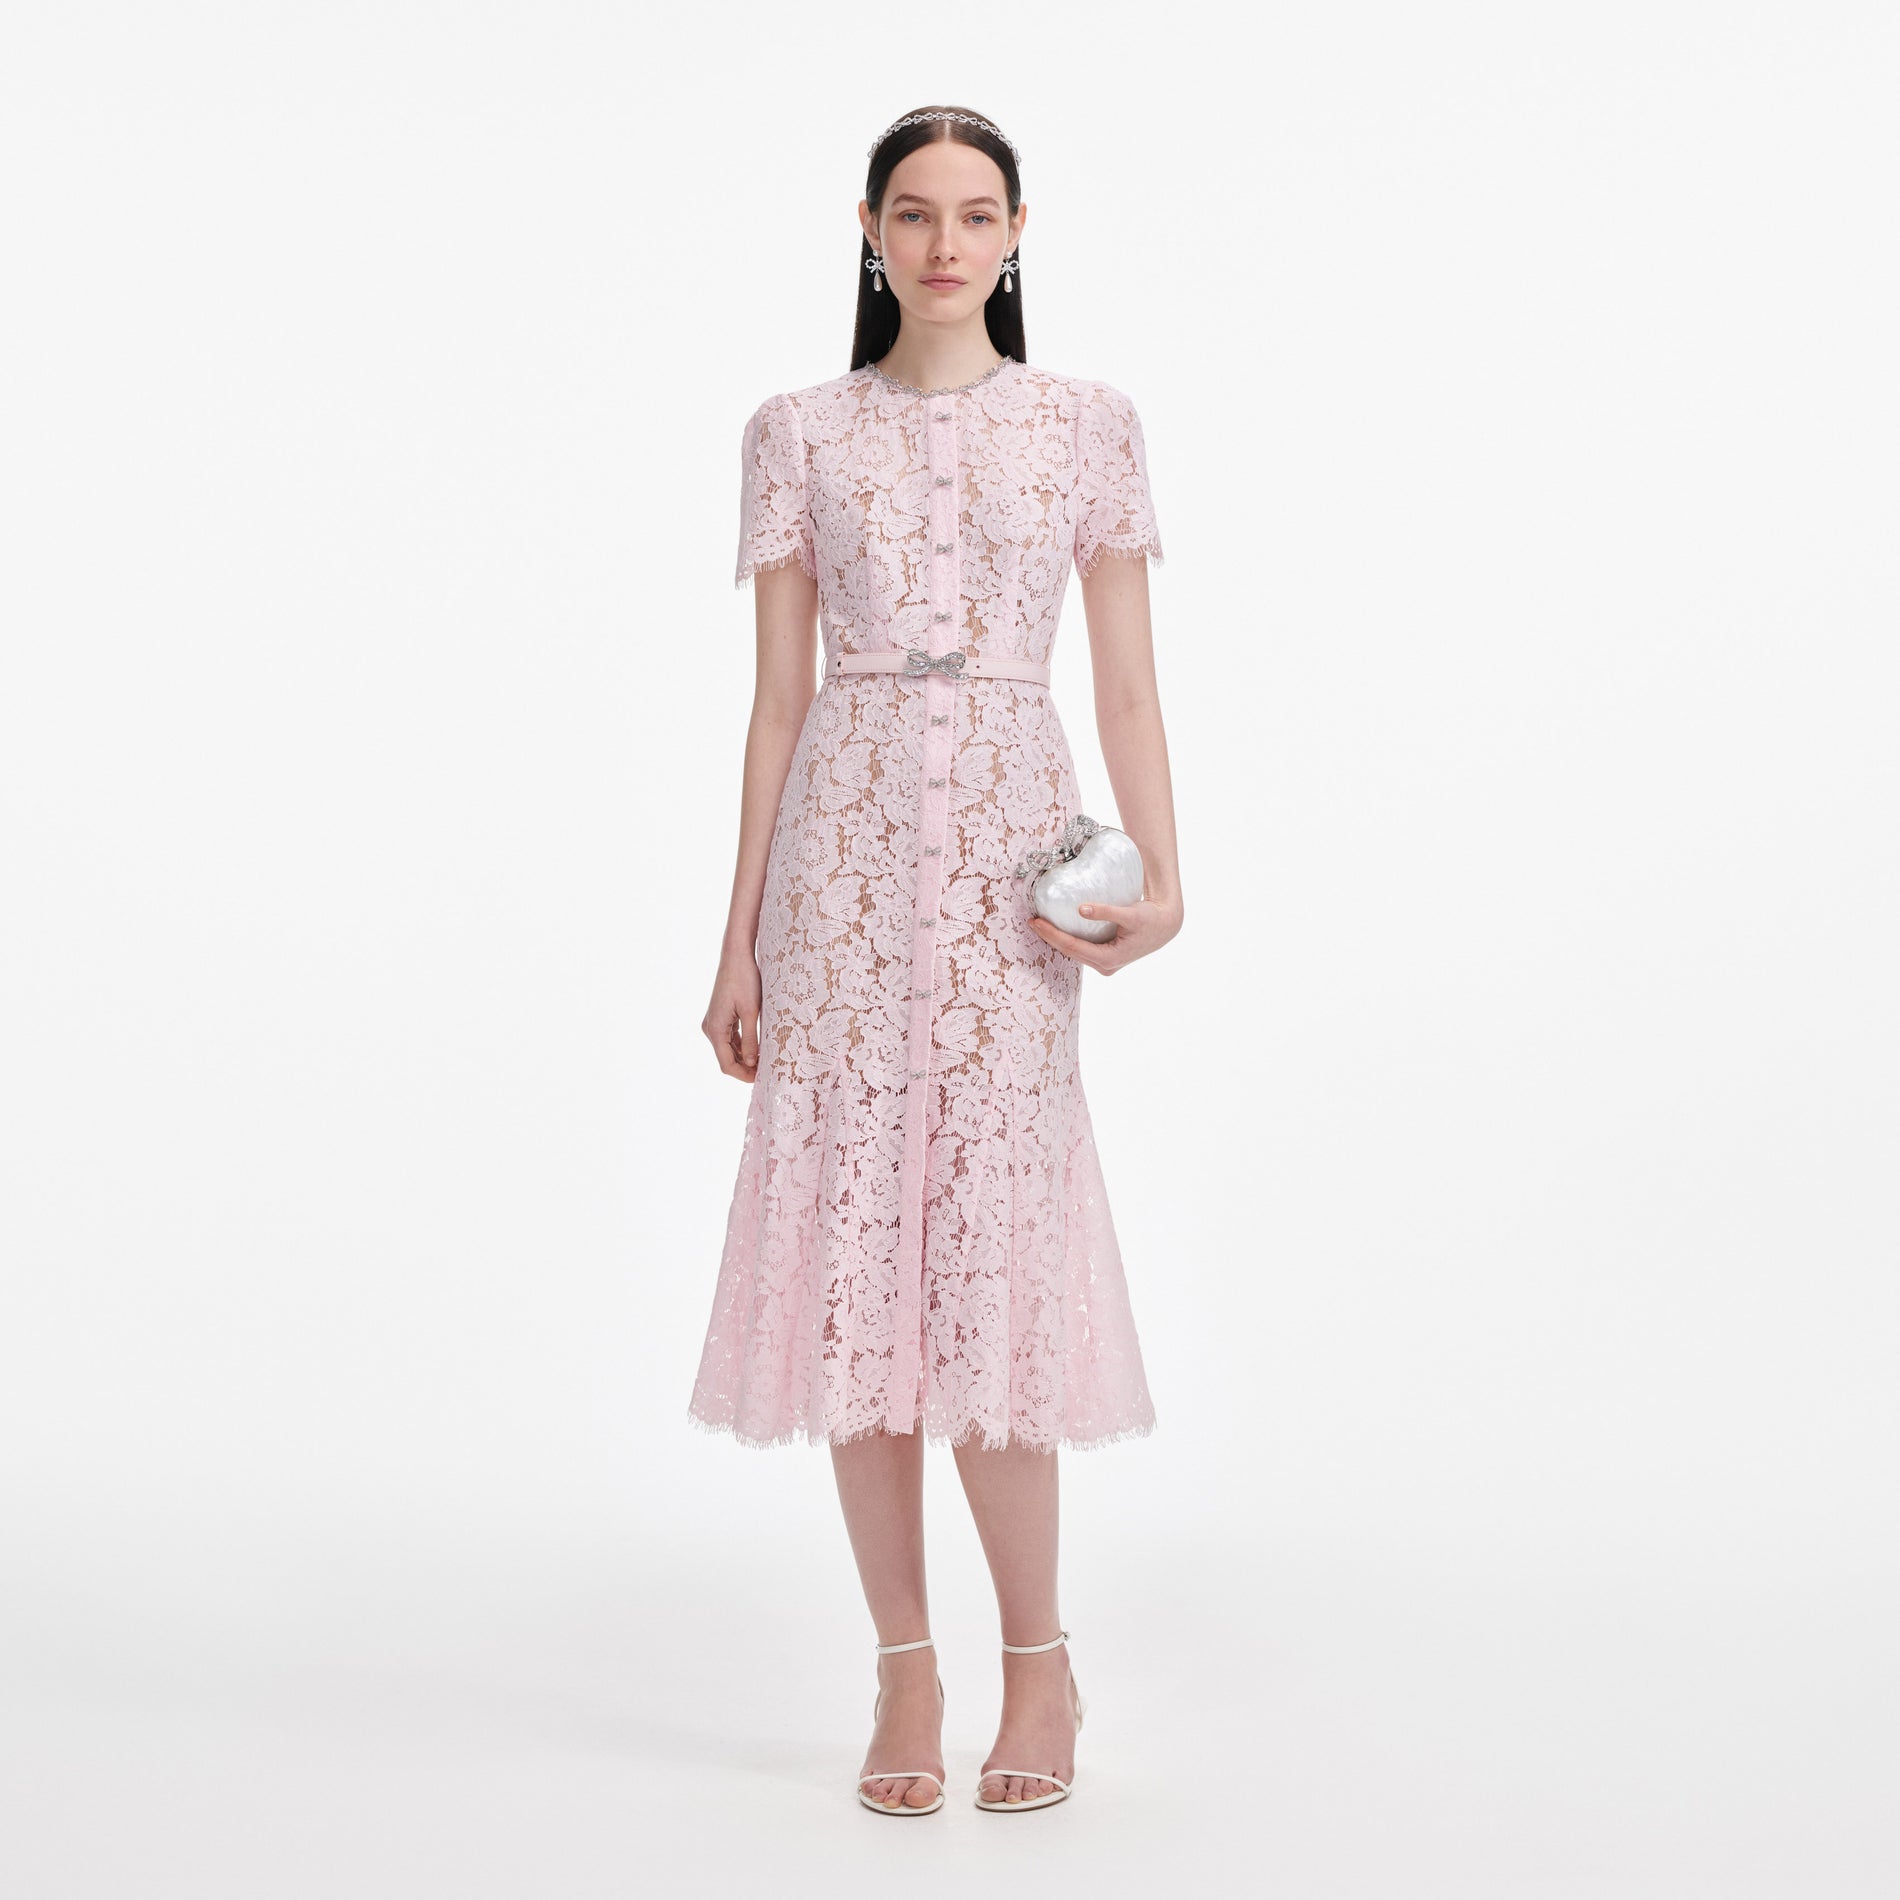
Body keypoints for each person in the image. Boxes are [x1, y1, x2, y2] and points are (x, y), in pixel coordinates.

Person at [690, 104, 1184, 1817]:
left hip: (1004, 875)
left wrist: (1165, 878)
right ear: (870, 230)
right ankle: (906, 1668)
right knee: (856, 1270)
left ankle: (1040, 1665)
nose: (947, 242)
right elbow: (774, 702)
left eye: (977, 213)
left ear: (1019, 231)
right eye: (915, 213)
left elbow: (1127, 683)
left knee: (992, 1253)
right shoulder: (795, 432)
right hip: (837, 873)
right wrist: (739, 937)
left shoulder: (1088, 426)